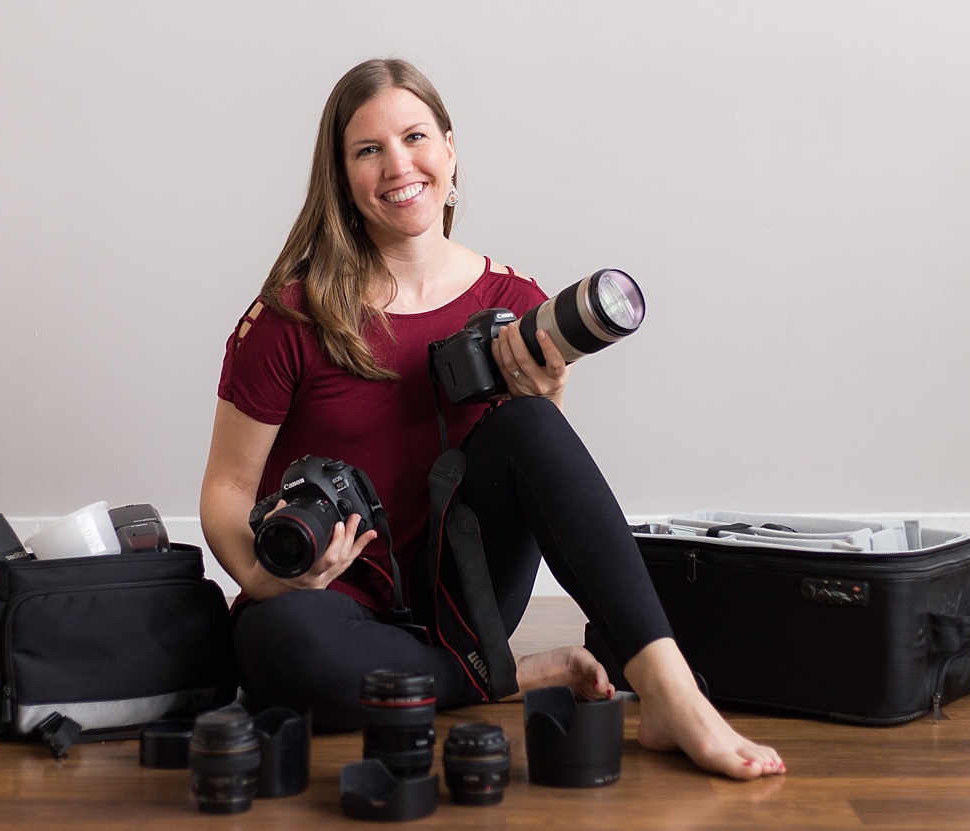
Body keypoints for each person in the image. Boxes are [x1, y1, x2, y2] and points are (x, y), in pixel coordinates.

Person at [198, 57, 783, 780]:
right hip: (329, 603)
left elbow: (532, 475)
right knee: (279, 649)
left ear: (449, 149)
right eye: (368, 150)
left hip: (466, 596)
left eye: (415, 137)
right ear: (341, 177)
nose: (398, 165)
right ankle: (507, 674)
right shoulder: (291, 316)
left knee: (532, 425)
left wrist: (547, 398)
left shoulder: (512, 300)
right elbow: (227, 487)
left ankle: (669, 689)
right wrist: (264, 580)